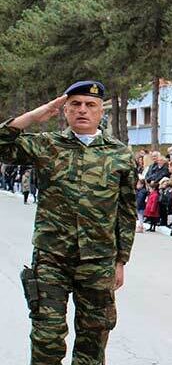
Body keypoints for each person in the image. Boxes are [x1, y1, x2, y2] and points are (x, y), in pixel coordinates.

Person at [0, 81, 135, 364]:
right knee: (46, 339)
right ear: (65, 110)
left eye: (90, 105)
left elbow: (125, 212)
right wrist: (38, 114)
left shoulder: (120, 154)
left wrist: (120, 260)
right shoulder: (48, 145)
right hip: (52, 259)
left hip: (97, 262)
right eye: (75, 104)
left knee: (93, 341)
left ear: (101, 112)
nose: (82, 110)